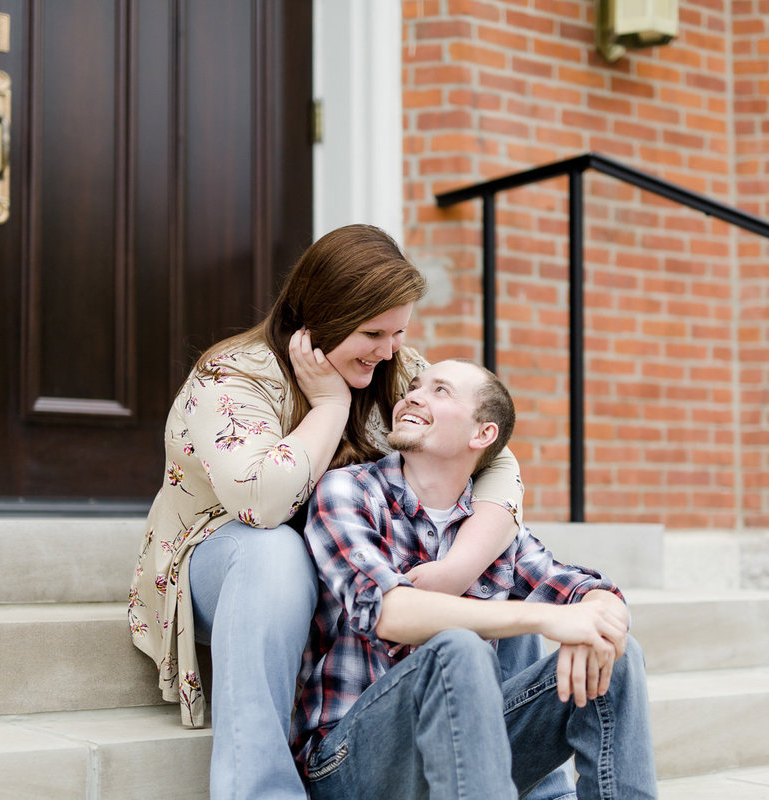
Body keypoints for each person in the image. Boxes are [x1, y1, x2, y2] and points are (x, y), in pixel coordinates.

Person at [127, 226, 530, 800]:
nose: (391, 350)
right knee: (277, 552)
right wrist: (331, 406)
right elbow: (265, 504)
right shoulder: (233, 377)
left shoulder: (396, 368)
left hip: (344, 564)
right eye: (374, 332)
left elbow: (492, 459)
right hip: (233, 564)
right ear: (319, 319)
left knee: (497, 546)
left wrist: (458, 568)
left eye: (399, 331)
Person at [291, 359, 659, 799]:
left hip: (469, 756)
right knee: (459, 650)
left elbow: (593, 591)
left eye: (440, 391)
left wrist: (601, 613)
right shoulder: (348, 491)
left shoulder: (493, 532)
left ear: (482, 434)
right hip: (350, 760)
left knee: (614, 652)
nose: (412, 395)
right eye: (414, 386)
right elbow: (388, 611)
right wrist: (540, 618)